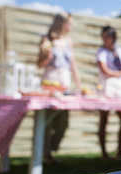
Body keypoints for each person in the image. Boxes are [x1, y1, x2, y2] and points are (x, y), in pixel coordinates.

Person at [37, 13, 81, 164]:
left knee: (63, 123)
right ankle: (46, 154)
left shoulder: (68, 41)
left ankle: (50, 149)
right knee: (47, 121)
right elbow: (39, 64)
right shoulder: (47, 39)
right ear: (61, 24)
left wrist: (79, 85)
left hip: (65, 85)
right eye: (69, 23)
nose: (70, 26)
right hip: (50, 85)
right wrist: (46, 58)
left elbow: (72, 65)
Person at [96, 25, 121, 158]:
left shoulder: (120, 51)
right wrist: (119, 73)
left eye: (108, 36)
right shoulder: (101, 52)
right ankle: (104, 152)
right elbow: (104, 70)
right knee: (104, 119)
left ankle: (120, 150)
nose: (105, 39)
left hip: (118, 88)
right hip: (106, 87)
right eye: (103, 36)